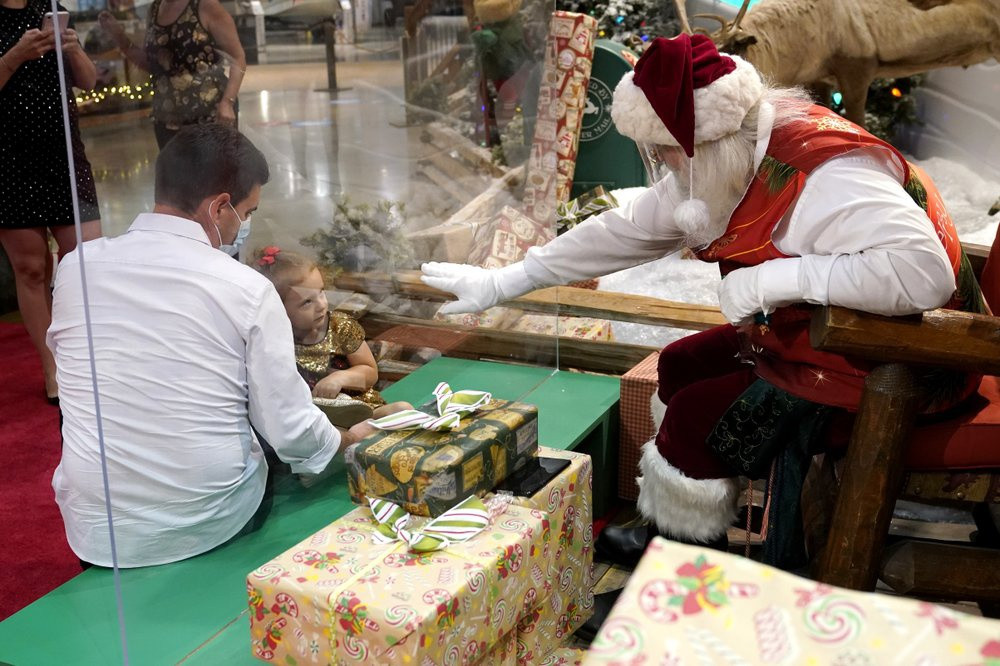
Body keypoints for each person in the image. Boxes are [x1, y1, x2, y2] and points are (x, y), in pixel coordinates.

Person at [422, 35, 985, 575]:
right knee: (679, 364)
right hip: (831, 335)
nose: (662, 163)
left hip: (911, 361)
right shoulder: (729, 157)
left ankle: (682, 576)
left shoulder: (827, 177)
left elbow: (924, 274)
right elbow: (625, 231)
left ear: (704, 138)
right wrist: (507, 280)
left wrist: (771, 282)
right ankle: (686, 533)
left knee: (697, 415)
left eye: (665, 150)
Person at [47, 125, 370, 568]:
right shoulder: (245, 289)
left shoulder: (74, 268)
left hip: (97, 522)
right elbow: (291, 430)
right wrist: (350, 439)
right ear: (220, 206)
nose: (247, 225)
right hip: (208, 518)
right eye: (248, 211)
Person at [1, 0, 101, 404]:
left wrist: (74, 48)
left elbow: (90, 82)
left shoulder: (52, 7)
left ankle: (87, 355)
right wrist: (14, 56)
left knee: (86, 259)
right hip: (10, 158)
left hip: (64, 155)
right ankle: (52, 368)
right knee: (29, 268)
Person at [252, 245, 412, 426]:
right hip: (313, 419)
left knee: (401, 410)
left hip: (361, 407)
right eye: (307, 302)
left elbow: (370, 371)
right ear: (279, 310)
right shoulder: (276, 342)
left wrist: (339, 378)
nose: (321, 304)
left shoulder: (340, 326)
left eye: (321, 292)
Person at [98, 0, 245, 148]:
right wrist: (119, 37)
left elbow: (238, 58)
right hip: (167, 117)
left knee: (214, 170)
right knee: (173, 170)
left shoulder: (205, 5)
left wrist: (227, 102)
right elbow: (152, 65)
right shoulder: (155, 9)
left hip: (209, 115)